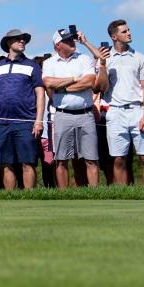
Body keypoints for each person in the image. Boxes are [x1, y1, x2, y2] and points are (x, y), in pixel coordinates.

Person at [97, 20, 144, 186]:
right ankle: (122, 196)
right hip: (115, 111)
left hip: (138, 111)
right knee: (118, 159)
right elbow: (100, 87)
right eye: (124, 31)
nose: (129, 33)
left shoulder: (139, 57)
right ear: (114, 36)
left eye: (128, 30)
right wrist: (102, 65)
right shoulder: (105, 59)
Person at [43, 28, 100, 187]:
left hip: (85, 114)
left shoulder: (84, 59)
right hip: (62, 115)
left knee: (91, 158)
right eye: (67, 40)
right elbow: (48, 83)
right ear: (58, 45)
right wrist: (75, 79)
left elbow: (89, 82)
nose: (72, 42)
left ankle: (95, 195)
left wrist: (63, 87)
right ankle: (63, 196)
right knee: (61, 159)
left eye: (72, 39)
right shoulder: (49, 63)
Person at [0, 29, 45, 190]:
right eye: (18, 39)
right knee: (5, 163)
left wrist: (38, 121)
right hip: (3, 122)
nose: (22, 41)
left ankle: (30, 198)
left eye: (23, 39)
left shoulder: (32, 65)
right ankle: (10, 199)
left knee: (27, 162)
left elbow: (40, 94)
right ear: (9, 43)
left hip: (26, 122)